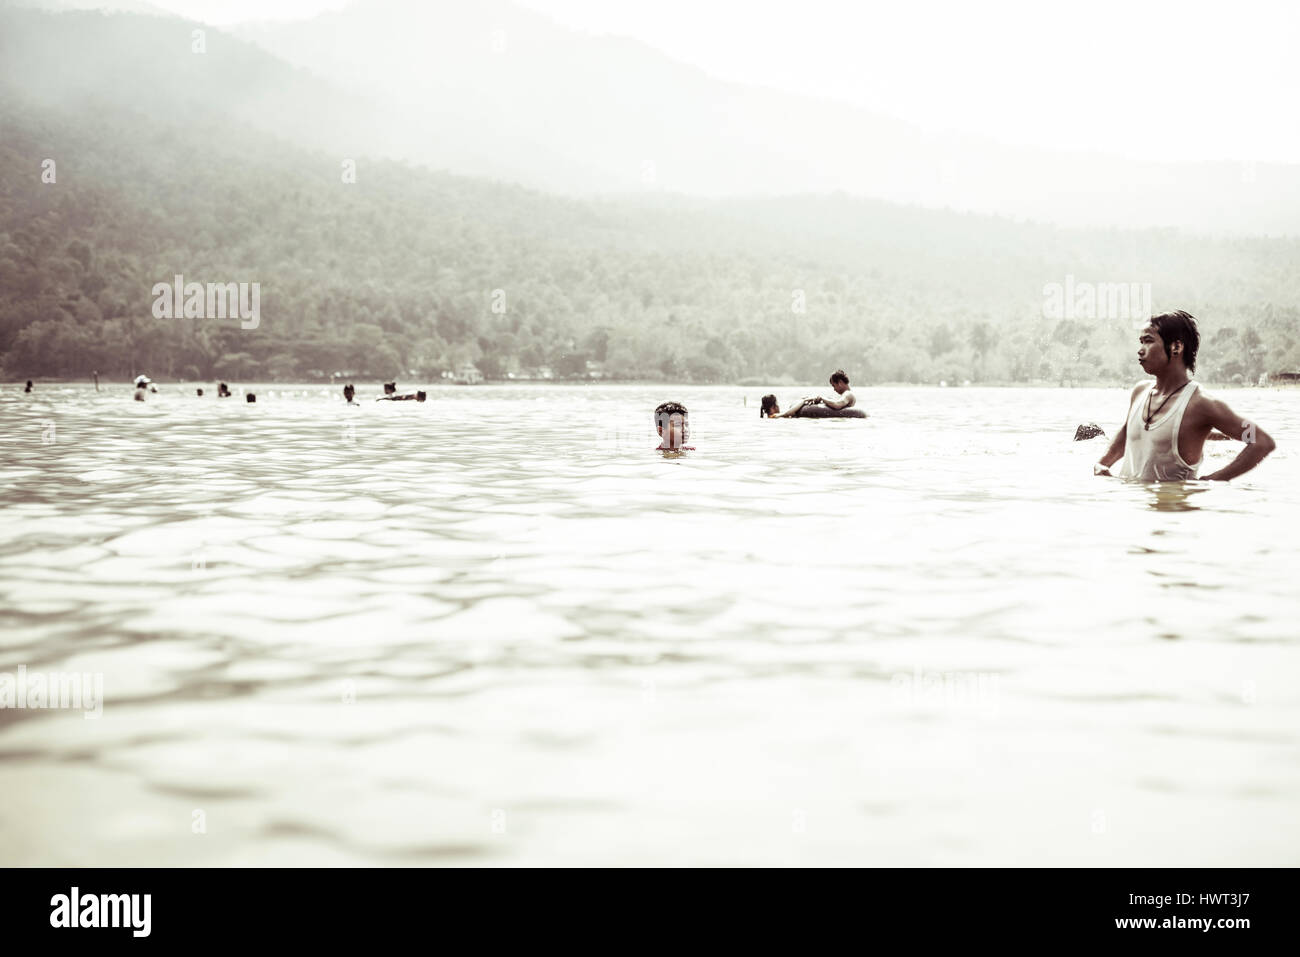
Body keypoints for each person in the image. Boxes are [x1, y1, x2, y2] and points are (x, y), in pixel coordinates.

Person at [1094, 311, 1276, 481]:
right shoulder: (1140, 392)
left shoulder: (1201, 404)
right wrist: (1103, 463)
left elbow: (1261, 441)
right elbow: (1127, 432)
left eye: (1148, 341)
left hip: (1172, 513)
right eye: (1140, 342)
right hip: (1134, 509)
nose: (1140, 350)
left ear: (1176, 347)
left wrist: (1213, 480)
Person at [771, 370, 858, 417]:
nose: (834, 389)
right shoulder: (848, 394)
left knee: (804, 400)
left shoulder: (848, 394)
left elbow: (837, 405)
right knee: (808, 398)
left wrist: (821, 398)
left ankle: (783, 415)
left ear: (839, 382)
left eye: (834, 386)